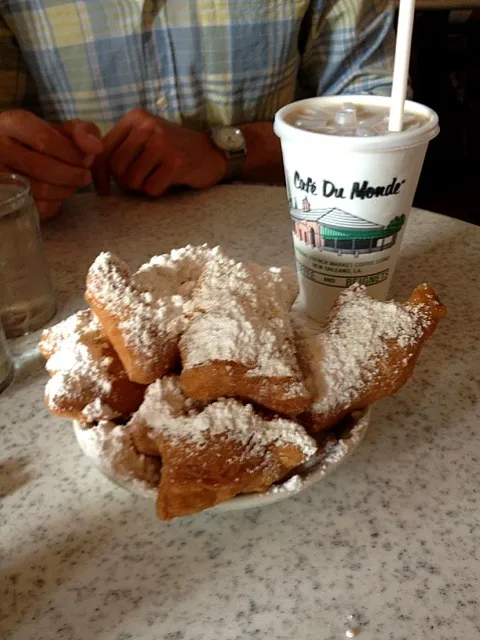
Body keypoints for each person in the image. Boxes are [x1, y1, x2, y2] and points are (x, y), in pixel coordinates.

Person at [0, 0, 395, 219]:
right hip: (60, 261)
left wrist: (226, 150)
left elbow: (385, 133)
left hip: (291, 242)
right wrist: (26, 162)